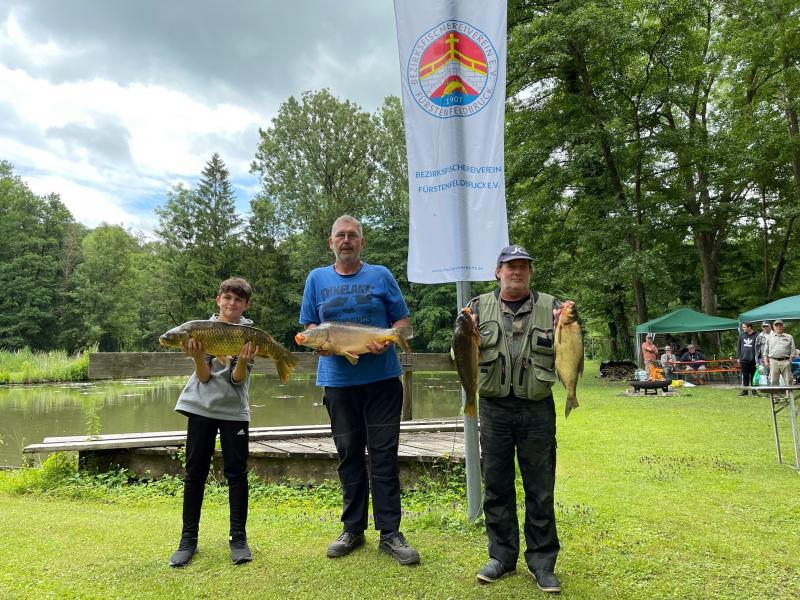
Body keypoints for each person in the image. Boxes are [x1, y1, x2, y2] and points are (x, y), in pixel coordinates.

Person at [299, 215, 419, 565]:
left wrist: (390, 339)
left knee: (384, 455)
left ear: (362, 243)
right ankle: (352, 529)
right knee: (349, 454)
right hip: (338, 383)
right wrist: (316, 343)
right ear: (331, 243)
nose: (347, 240)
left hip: (382, 380)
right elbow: (309, 324)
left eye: (353, 235)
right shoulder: (316, 279)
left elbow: (402, 323)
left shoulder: (381, 275)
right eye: (341, 236)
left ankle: (390, 533)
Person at [466, 244, 562, 594]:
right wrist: (463, 330)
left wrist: (569, 322)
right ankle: (502, 557)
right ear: (498, 271)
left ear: (530, 272)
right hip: (493, 408)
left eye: (523, 266)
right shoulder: (476, 308)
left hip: (537, 407)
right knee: (497, 486)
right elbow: (459, 352)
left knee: (540, 487)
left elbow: (570, 347)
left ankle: (541, 561)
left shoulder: (553, 308)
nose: (516, 272)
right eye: (510, 266)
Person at [169, 277, 258, 567]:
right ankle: (188, 540)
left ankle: (238, 539)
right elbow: (204, 377)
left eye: (238, 299)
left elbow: (236, 380)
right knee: (194, 473)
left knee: (237, 474)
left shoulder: (248, 334)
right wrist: (197, 357)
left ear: (245, 305)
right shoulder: (200, 330)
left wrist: (242, 361)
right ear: (218, 300)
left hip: (234, 410)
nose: (231, 303)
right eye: (227, 298)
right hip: (201, 407)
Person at [764, 319, 796, 387]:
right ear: (774, 327)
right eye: (777, 326)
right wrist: (765, 361)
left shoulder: (789, 337)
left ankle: (789, 396)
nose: (778, 327)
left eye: (780, 325)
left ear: (783, 326)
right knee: (773, 380)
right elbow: (766, 350)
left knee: (788, 380)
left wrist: (790, 359)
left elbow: (793, 350)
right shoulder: (769, 337)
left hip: (786, 361)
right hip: (773, 361)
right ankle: (776, 397)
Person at [737, 322, 758, 396]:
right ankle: (744, 391)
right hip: (743, 359)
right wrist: (738, 357)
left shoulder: (756, 335)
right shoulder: (741, 335)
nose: (743, 329)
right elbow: (739, 346)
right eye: (743, 327)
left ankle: (754, 391)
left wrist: (758, 357)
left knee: (753, 376)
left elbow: (758, 347)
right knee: (745, 375)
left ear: (749, 327)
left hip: (753, 359)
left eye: (744, 327)